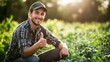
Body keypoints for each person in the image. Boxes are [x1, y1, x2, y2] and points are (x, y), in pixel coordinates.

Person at [4, 1, 69, 62]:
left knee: (58, 52)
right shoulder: (22, 29)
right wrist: (38, 45)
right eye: (37, 13)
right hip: (14, 60)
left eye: (42, 14)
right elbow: (24, 53)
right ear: (30, 14)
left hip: (30, 59)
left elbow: (56, 42)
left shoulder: (41, 29)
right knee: (33, 59)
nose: (39, 16)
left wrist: (64, 46)